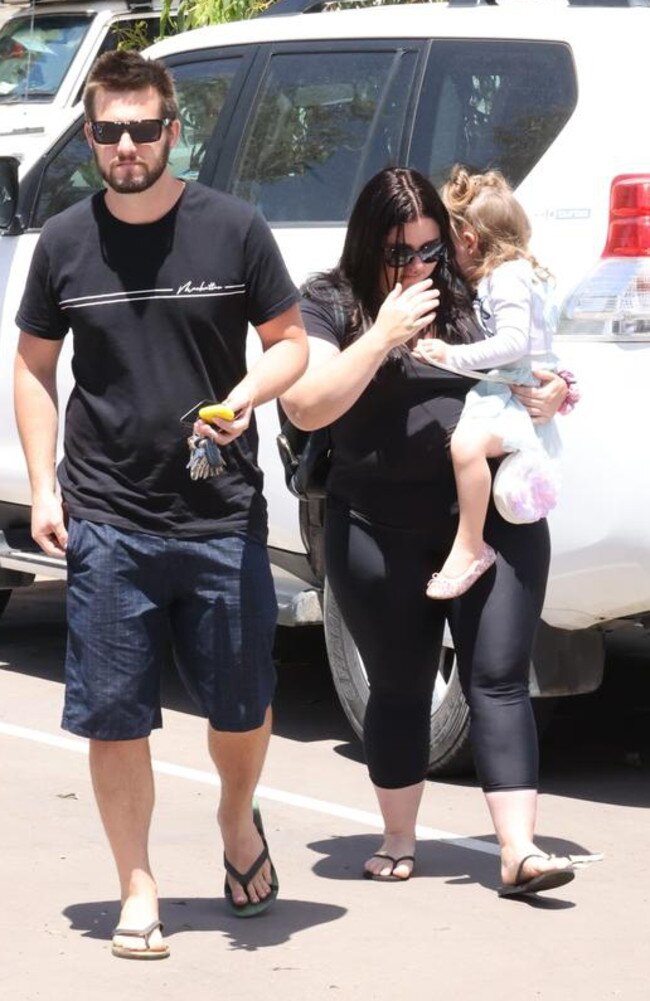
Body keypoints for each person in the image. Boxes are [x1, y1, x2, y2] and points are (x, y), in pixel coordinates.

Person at [14, 50, 307, 958]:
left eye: (144, 128)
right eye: (108, 131)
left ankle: (234, 818)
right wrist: (41, 485)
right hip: (106, 513)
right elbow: (33, 367)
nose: (127, 145)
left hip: (220, 513)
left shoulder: (234, 229)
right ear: (92, 137)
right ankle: (137, 885)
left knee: (241, 705)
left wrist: (248, 397)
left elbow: (290, 345)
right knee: (115, 711)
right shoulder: (64, 241)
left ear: (173, 130)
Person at [280, 166, 581, 897]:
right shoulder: (330, 301)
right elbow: (306, 404)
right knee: (401, 683)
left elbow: (540, 354)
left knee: (498, 677)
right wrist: (381, 335)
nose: (416, 267)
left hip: (489, 522)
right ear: (365, 247)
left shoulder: (476, 288)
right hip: (376, 526)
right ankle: (397, 836)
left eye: (429, 251)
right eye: (397, 252)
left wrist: (558, 389)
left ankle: (518, 850)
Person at [413, 166, 567, 600]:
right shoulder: (524, 272)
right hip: (514, 388)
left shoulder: (507, 276)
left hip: (510, 391)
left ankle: (469, 544)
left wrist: (451, 356)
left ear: (468, 241)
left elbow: (514, 342)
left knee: (466, 447)